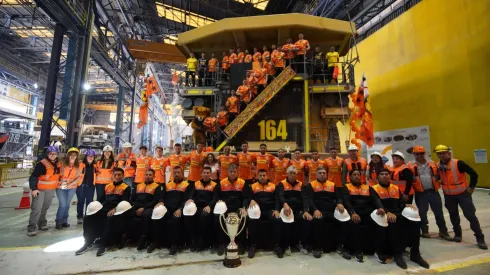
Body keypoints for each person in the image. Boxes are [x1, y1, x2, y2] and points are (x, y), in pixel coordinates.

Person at [372, 169, 429, 269]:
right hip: (384, 214)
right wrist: (387, 212)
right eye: (382, 174)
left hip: (398, 213)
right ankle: (397, 254)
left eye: (386, 174)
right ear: (378, 178)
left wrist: (406, 205)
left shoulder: (395, 188)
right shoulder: (373, 189)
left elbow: (401, 203)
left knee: (415, 222)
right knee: (394, 222)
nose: (385, 176)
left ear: (390, 177)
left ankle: (415, 253)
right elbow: (375, 203)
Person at [434, 144, 487, 249]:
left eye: (443, 153)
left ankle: (480, 238)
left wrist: (471, 188)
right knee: (453, 216)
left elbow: (474, 174)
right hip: (448, 196)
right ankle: (458, 234)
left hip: (463, 195)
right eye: (439, 154)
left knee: (470, 216)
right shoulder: (437, 165)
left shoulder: (458, 163)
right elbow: (439, 177)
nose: (441, 155)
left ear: (448, 153)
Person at [75, 167, 131, 256]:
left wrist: (115, 209)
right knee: (88, 217)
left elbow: (125, 202)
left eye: (119, 175)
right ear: (112, 175)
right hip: (104, 208)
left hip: (117, 209)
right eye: (115, 175)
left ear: (123, 176)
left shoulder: (126, 188)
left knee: (109, 218)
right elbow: (100, 200)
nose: (117, 176)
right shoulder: (107, 186)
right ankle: (88, 242)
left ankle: (104, 244)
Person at [407, 146, 451, 240]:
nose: (419, 156)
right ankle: (425, 231)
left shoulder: (432, 163)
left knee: (438, 212)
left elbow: (439, 175)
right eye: (417, 154)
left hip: (433, 191)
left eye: (421, 153)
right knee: (422, 213)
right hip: (420, 193)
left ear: (424, 154)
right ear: (414, 154)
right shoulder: (410, 165)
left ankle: (443, 231)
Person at [304, 166, 349, 258]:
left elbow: (338, 197)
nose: (322, 175)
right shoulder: (311, 185)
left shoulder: (332, 184)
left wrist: (340, 203)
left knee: (345, 221)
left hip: (331, 211)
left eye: (324, 173)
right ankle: (317, 247)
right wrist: (315, 209)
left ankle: (341, 246)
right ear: (316, 174)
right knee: (318, 221)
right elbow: (310, 200)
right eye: (320, 173)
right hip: (318, 211)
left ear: (327, 174)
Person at [148, 166, 194, 254]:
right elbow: (162, 196)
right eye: (175, 173)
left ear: (182, 173)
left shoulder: (187, 185)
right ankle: (156, 241)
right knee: (156, 214)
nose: (176, 174)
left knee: (176, 219)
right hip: (167, 209)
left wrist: (180, 209)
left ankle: (175, 244)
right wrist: (161, 202)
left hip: (179, 209)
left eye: (178, 173)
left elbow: (187, 200)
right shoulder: (168, 184)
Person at [342, 169, 385, 262]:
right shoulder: (346, 187)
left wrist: (381, 208)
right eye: (354, 175)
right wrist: (352, 212)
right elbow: (346, 201)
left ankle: (378, 250)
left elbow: (375, 199)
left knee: (380, 222)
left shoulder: (368, 187)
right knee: (355, 224)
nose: (357, 176)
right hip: (355, 212)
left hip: (368, 212)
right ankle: (358, 251)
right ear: (350, 177)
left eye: (358, 174)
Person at [245, 169, 283, 258]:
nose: (262, 177)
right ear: (258, 176)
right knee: (252, 221)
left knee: (277, 220)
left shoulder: (273, 186)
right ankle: (253, 245)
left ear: (267, 176)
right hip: (257, 212)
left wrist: (277, 210)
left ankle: (277, 245)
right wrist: (251, 200)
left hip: (270, 210)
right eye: (260, 175)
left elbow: (277, 199)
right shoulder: (252, 186)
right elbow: (248, 198)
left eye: (264, 175)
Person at [27, 146, 60, 236]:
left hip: (50, 190)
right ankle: (31, 228)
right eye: (51, 153)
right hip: (40, 190)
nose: (53, 155)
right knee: (36, 209)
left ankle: (42, 224)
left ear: (57, 155)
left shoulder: (58, 164)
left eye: (54, 154)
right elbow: (33, 176)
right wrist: (34, 189)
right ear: (47, 154)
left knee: (45, 208)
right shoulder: (42, 164)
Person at [214, 164, 247, 256]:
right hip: (225, 208)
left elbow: (246, 197)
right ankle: (222, 243)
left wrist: (244, 207)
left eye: (234, 172)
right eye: (231, 172)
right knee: (218, 217)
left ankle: (240, 243)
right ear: (227, 172)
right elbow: (216, 196)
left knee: (243, 216)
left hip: (238, 208)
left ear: (237, 172)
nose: (232, 173)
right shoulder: (221, 183)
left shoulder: (242, 183)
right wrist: (218, 201)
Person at [277, 165, 310, 255]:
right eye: (290, 173)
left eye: (294, 173)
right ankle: (287, 245)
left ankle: (301, 243)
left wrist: (306, 211)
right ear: (287, 174)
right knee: (286, 222)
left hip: (298, 210)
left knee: (306, 220)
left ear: (296, 174)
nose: (292, 175)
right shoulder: (282, 183)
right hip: (286, 210)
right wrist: (285, 204)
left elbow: (304, 198)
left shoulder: (300, 184)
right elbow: (280, 196)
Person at [184, 166, 218, 251]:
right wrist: (190, 199)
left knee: (204, 215)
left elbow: (215, 198)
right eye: (204, 173)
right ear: (201, 174)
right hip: (196, 206)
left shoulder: (214, 185)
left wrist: (210, 206)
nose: (206, 174)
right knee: (189, 214)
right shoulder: (196, 183)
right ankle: (193, 240)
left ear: (210, 174)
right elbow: (191, 195)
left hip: (207, 207)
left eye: (207, 173)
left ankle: (201, 240)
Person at [131, 169, 163, 251]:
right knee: (127, 213)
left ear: (153, 176)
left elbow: (156, 200)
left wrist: (143, 208)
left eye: (150, 175)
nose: (148, 176)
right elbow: (132, 199)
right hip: (137, 206)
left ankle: (145, 238)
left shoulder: (157, 186)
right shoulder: (138, 186)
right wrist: (136, 207)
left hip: (149, 207)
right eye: (147, 174)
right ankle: (128, 237)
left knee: (146, 215)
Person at [56, 147, 85, 229]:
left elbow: (80, 177)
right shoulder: (61, 164)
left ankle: (64, 221)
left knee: (67, 204)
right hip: (61, 185)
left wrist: (71, 184)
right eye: (71, 154)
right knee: (63, 204)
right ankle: (58, 221)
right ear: (68, 155)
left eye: (75, 155)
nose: (73, 156)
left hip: (72, 186)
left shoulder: (79, 165)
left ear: (77, 156)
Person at [76, 149, 97, 225]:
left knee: (89, 202)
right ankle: (80, 217)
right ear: (86, 157)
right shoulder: (81, 164)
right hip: (81, 186)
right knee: (81, 201)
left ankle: (87, 216)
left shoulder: (95, 166)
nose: (90, 157)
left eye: (92, 156)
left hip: (91, 186)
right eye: (89, 156)